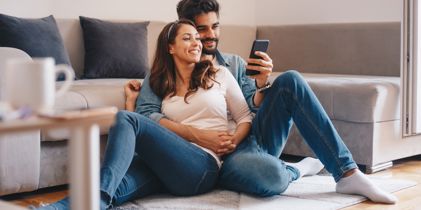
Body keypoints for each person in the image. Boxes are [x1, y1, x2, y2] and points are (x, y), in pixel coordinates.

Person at [136, 0, 398, 204]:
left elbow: (250, 107)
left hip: (245, 141)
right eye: (201, 29)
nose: (210, 35)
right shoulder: (165, 70)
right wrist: (198, 136)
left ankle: (348, 173)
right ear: (186, 27)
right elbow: (145, 113)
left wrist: (262, 83)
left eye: (214, 26)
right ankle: (294, 170)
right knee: (269, 178)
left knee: (291, 80)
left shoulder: (234, 64)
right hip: (203, 156)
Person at [36, 19, 254, 210]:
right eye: (187, 38)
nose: (197, 43)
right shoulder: (163, 87)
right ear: (170, 47)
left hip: (201, 168)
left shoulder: (220, 74)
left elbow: (244, 116)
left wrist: (232, 141)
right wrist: (131, 101)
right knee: (113, 186)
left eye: (197, 38)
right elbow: (144, 134)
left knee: (124, 118)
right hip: (165, 166)